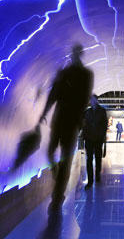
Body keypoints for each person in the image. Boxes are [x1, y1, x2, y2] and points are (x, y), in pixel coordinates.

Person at [37, 44, 94, 213]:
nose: (74, 55)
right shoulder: (63, 73)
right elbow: (53, 94)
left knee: (66, 159)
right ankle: (57, 173)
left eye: (77, 53)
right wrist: (44, 113)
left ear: (79, 55)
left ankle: (57, 196)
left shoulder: (86, 74)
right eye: (73, 53)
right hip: (59, 119)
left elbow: (85, 98)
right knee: (50, 152)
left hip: (72, 121)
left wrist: (80, 120)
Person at [82, 94, 108, 189]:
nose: (92, 101)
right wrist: (85, 135)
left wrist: (101, 136)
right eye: (91, 100)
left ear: (96, 100)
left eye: (94, 100)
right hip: (89, 139)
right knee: (89, 160)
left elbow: (104, 125)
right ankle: (90, 181)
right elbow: (84, 125)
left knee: (98, 158)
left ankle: (97, 175)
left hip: (98, 139)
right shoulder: (87, 112)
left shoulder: (102, 111)